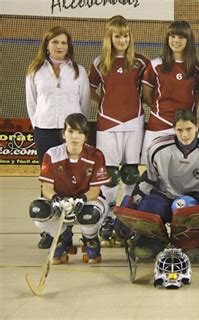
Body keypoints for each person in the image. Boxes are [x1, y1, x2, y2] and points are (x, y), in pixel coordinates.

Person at [129, 109, 199, 262]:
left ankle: (189, 242)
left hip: (191, 202)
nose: (185, 135)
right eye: (179, 130)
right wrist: (133, 204)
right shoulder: (157, 148)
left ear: (197, 126)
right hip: (162, 196)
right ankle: (152, 241)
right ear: (174, 129)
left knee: (193, 256)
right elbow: (148, 179)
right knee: (149, 208)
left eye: (189, 129)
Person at [26, 26, 90, 249]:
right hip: (44, 130)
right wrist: (40, 125)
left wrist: (76, 130)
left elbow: (84, 103)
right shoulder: (35, 71)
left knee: (71, 182)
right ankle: (49, 231)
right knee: (48, 181)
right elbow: (32, 103)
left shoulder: (78, 71)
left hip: (71, 133)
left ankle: (69, 231)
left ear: (68, 46)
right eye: (55, 42)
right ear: (47, 45)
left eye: (63, 42)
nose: (59, 46)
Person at [88, 15, 149, 245]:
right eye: (117, 36)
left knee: (131, 173)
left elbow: (146, 92)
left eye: (125, 35)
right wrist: (107, 101)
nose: (122, 40)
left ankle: (128, 218)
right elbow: (93, 91)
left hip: (134, 122)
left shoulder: (140, 62)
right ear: (109, 37)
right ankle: (109, 217)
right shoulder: (98, 63)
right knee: (110, 175)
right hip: (107, 123)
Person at [28, 113, 110, 264]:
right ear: (63, 134)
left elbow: (95, 191)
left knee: (90, 215)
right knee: (37, 211)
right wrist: (55, 199)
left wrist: (81, 199)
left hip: (88, 200)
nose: (75, 136)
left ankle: (90, 238)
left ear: (86, 136)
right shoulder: (52, 154)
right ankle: (63, 237)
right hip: (61, 201)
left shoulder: (96, 155)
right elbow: (46, 188)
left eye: (80, 132)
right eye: (70, 131)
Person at [141, 20, 199, 163]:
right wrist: (160, 111)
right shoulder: (156, 65)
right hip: (158, 125)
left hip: (184, 129)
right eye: (172, 36)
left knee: (182, 170)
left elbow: (196, 98)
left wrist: (185, 119)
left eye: (181, 37)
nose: (176, 40)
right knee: (152, 169)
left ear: (189, 40)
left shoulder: (196, 68)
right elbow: (146, 95)